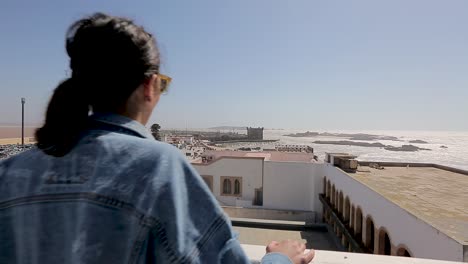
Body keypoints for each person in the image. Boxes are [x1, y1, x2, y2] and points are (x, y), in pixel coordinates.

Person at [0, 13, 315, 264]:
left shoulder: (10, 172)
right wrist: (279, 258)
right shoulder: (157, 167)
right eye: (163, 85)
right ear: (150, 86)